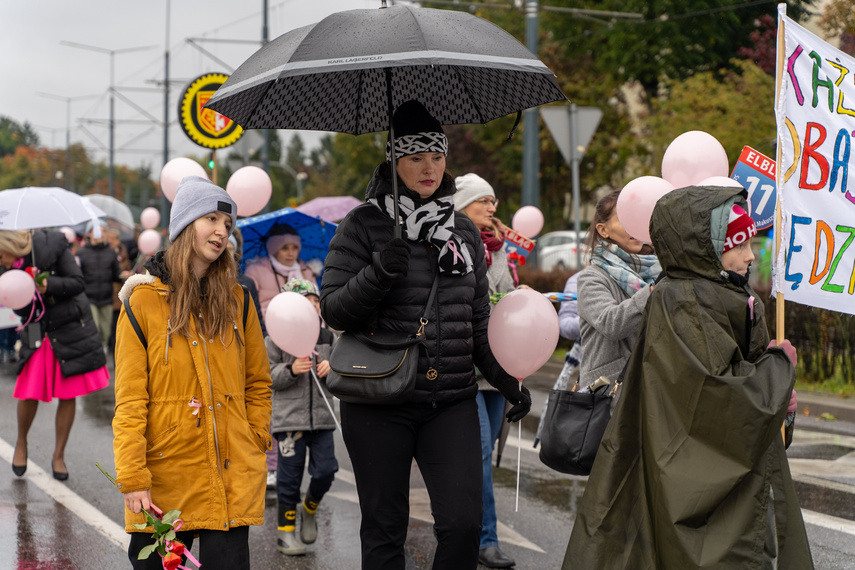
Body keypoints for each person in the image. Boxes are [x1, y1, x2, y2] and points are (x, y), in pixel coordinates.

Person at [320, 100, 532, 569]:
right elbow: (334, 311)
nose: (429, 168)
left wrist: (505, 380)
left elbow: (476, 322)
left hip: (451, 398)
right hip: (378, 399)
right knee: (384, 525)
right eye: (416, 157)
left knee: (462, 526)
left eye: (436, 156)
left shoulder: (463, 232)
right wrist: (378, 273)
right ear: (394, 159)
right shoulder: (362, 224)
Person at [563, 186, 813, 569]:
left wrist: (782, 400)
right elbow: (717, 397)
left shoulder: (728, 294)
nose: (750, 257)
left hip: (730, 475)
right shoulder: (686, 299)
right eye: (740, 245)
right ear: (710, 247)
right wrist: (777, 371)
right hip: (698, 482)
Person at [112, 176, 272, 570]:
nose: (221, 231)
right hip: (167, 473)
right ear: (185, 224)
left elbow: (258, 381)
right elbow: (131, 398)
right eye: (212, 219)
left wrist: (255, 436)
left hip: (231, 469)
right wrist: (133, 477)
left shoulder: (239, 300)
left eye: (228, 224)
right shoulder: (142, 303)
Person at [0, 228, 109, 480]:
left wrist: (46, 285)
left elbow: (78, 282)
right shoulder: (7, 267)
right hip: (37, 330)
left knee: (67, 393)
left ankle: (59, 455)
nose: (2, 263)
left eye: (1, 257)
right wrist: (24, 297)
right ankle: (21, 443)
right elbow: (13, 302)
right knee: (28, 392)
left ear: (10, 247)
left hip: (68, 327)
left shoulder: (53, 245)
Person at [454, 172, 520, 569]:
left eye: (494, 201)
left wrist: (520, 298)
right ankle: (485, 539)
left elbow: (508, 296)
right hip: (463, 363)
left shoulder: (500, 249)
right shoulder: (452, 244)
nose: (492, 208)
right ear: (462, 205)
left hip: (496, 366)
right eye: (484, 201)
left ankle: (462, 524)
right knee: (478, 453)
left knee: (485, 451)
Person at [267, 277, 338, 557]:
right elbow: (268, 377)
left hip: (322, 417)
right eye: (306, 303)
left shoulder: (327, 337)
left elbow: (340, 375)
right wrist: (291, 369)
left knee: (326, 470)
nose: (313, 307)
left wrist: (333, 370)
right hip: (289, 421)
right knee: (289, 478)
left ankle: (310, 507)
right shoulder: (274, 339)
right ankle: (285, 533)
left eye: (316, 302)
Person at [576, 189, 660, 394]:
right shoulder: (592, 277)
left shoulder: (660, 268)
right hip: (609, 394)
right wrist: (651, 291)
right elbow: (611, 324)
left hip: (653, 389)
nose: (636, 225)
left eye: (639, 217)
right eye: (625, 219)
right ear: (603, 230)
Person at [245, 223, 317, 321]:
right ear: (274, 249)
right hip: (268, 330)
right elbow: (249, 307)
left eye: (295, 247)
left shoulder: (306, 271)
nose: (291, 253)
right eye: (284, 248)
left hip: (305, 327)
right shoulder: (255, 271)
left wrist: (319, 330)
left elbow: (317, 306)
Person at [76, 221, 128, 351]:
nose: (101, 233)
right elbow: (77, 277)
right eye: (98, 230)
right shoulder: (81, 253)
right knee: (95, 328)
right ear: (89, 233)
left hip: (106, 298)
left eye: (104, 231)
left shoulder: (110, 252)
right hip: (89, 298)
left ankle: (102, 351)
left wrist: (125, 276)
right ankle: (96, 355)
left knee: (106, 331)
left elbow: (116, 275)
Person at [107, 227, 133, 354]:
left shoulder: (124, 254)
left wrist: (128, 274)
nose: (110, 241)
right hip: (109, 293)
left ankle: (116, 349)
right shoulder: (106, 253)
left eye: (113, 238)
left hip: (120, 294)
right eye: (109, 238)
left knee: (118, 325)